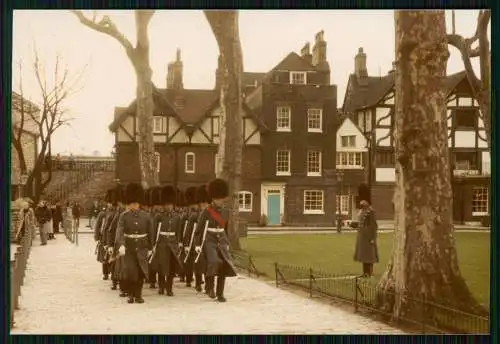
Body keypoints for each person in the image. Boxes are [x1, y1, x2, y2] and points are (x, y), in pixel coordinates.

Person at [195, 178, 237, 302]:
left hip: (222, 241)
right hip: (210, 240)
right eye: (218, 199)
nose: (220, 201)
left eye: (221, 198)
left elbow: (227, 229)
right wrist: (197, 244)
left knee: (223, 266)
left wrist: (227, 243)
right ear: (213, 198)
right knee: (213, 262)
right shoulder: (206, 212)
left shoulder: (226, 212)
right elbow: (199, 229)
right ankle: (210, 287)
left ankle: (220, 293)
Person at [115, 183, 154, 304]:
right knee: (131, 271)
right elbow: (120, 231)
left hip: (142, 247)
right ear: (128, 203)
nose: (134, 206)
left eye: (136, 203)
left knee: (141, 271)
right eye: (131, 203)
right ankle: (131, 294)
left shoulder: (146, 216)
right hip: (129, 248)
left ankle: (138, 295)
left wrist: (151, 247)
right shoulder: (123, 216)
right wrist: (121, 244)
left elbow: (150, 232)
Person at [150, 186, 184, 296]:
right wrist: (153, 244)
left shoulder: (177, 217)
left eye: (170, 204)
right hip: (161, 244)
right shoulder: (158, 216)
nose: (168, 206)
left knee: (171, 268)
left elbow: (178, 231)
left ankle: (169, 288)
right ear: (163, 205)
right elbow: (154, 232)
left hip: (172, 244)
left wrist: (179, 243)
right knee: (161, 267)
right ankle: (161, 287)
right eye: (166, 204)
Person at [353, 183, 379, 278]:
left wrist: (373, 238)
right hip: (362, 236)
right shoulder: (362, 211)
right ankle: (365, 273)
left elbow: (374, 226)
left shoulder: (370, 211)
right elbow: (361, 223)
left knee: (369, 256)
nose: (361, 203)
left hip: (368, 237)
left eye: (363, 201)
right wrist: (353, 225)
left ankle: (369, 273)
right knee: (364, 255)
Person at [193, 184, 210, 293]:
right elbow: (196, 232)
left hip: (209, 242)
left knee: (209, 265)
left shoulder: (212, 213)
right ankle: (198, 283)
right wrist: (196, 244)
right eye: (202, 203)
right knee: (198, 264)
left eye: (206, 203)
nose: (204, 205)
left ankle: (209, 285)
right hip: (199, 242)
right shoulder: (196, 215)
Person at [182, 186, 200, 289]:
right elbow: (187, 231)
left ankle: (199, 281)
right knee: (189, 261)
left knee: (199, 262)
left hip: (199, 241)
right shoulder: (188, 215)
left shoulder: (199, 214)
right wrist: (186, 243)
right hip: (190, 240)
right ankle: (188, 278)